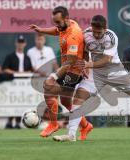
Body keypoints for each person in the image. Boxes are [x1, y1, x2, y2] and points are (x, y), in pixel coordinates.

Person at [52, 15, 130, 142]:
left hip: (115, 71)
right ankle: (71, 135)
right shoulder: (86, 34)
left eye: (99, 32)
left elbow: (106, 60)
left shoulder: (111, 37)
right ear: (91, 27)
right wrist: (85, 64)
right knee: (78, 98)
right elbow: (83, 51)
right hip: (95, 74)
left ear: (105, 28)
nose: (96, 35)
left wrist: (88, 64)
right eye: (95, 32)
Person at [28, 6, 91, 138]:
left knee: (49, 87)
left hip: (73, 71)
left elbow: (70, 61)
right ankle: (86, 126)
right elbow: (57, 30)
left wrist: (54, 76)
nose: (56, 25)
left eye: (58, 22)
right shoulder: (68, 24)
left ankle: (53, 124)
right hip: (71, 68)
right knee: (66, 102)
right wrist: (41, 30)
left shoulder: (73, 35)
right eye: (54, 21)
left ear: (66, 19)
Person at [3, 35, 33, 129]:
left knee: (21, 102)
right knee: (12, 102)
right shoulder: (10, 56)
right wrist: (16, 73)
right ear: (16, 43)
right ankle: (9, 121)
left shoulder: (27, 57)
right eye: (19, 43)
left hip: (24, 84)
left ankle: (17, 122)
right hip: (13, 82)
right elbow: (5, 69)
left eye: (22, 43)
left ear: (25, 44)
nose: (20, 45)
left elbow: (30, 69)